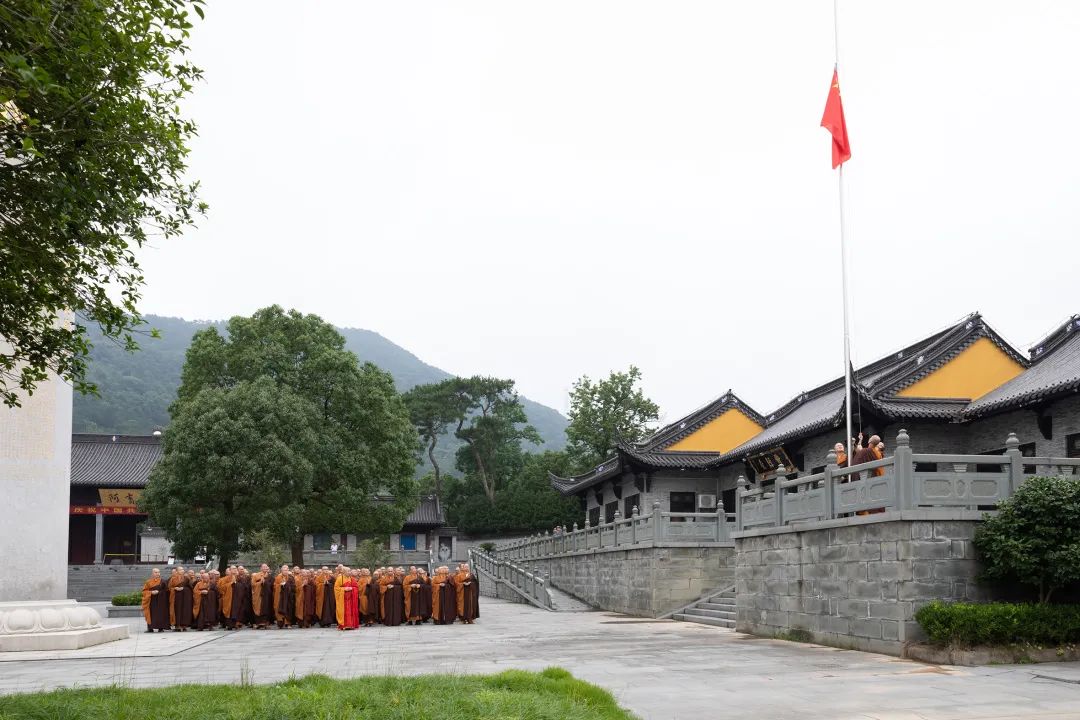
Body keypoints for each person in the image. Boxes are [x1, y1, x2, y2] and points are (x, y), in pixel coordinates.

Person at [141, 568, 170, 633]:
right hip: (151, 601)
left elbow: (167, 591)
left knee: (160, 614)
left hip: (161, 601)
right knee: (151, 614)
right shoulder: (148, 582)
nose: (157, 574)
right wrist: (151, 592)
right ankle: (150, 628)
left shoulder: (163, 581)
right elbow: (144, 591)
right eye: (156, 572)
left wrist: (159, 592)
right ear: (152, 573)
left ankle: (161, 628)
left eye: (158, 572)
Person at [168, 566, 193, 631]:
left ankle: (184, 625)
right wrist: (174, 588)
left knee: (184, 610)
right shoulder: (173, 579)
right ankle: (177, 625)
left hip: (185, 598)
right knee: (177, 611)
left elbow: (190, 588)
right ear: (177, 571)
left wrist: (183, 588)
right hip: (176, 598)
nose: (182, 570)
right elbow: (169, 588)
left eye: (183, 569)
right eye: (181, 569)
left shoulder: (186, 579)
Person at [251, 564, 273, 629]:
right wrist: (260, 582)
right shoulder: (256, 575)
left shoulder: (269, 576)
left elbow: (272, 585)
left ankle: (265, 623)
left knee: (266, 608)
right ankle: (258, 623)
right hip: (258, 595)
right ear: (260, 568)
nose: (265, 568)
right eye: (263, 567)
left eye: (266, 567)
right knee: (258, 608)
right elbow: (253, 584)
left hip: (267, 595)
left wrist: (266, 583)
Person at [274, 564, 295, 628]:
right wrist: (280, 585)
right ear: (281, 571)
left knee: (288, 608)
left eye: (287, 570)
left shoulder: (291, 577)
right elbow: (274, 586)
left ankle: (288, 623)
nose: (286, 571)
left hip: (288, 596)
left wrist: (288, 586)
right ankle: (281, 623)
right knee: (280, 608)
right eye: (284, 570)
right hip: (280, 597)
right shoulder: (278, 577)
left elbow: (294, 586)